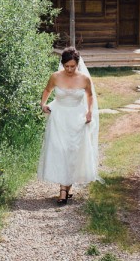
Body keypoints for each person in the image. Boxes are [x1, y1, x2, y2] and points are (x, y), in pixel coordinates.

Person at [37, 47, 102, 205]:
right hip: (59, 117)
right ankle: (63, 190)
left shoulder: (84, 79)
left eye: (72, 66)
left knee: (74, 151)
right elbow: (47, 90)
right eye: (67, 66)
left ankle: (68, 185)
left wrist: (89, 112)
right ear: (63, 64)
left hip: (77, 118)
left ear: (77, 64)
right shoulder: (55, 77)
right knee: (61, 150)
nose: (69, 69)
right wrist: (43, 104)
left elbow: (90, 95)